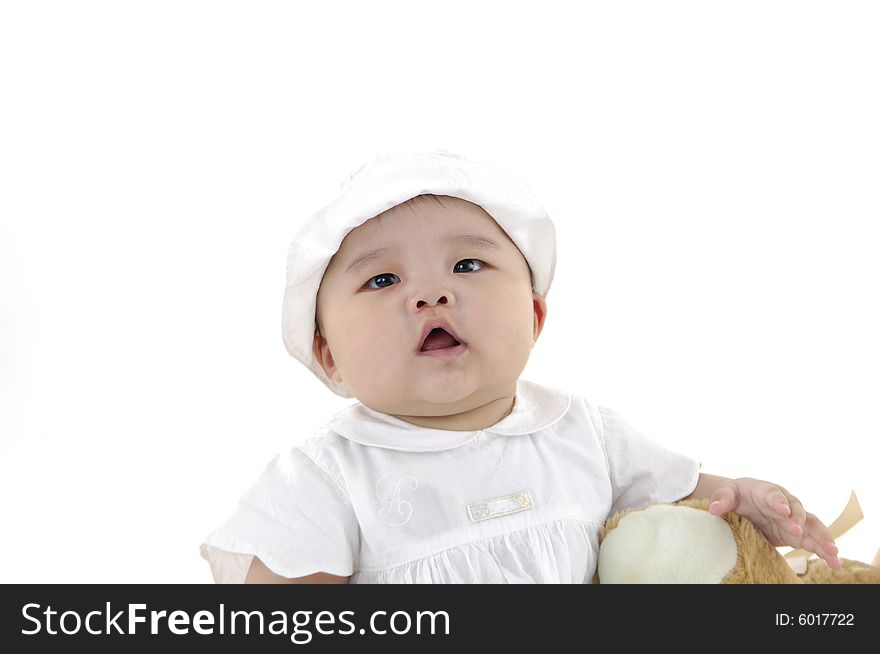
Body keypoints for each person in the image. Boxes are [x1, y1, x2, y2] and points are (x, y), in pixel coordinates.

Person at [199, 151, 841, 584]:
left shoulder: (584, 431)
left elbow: (679, 506)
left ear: (534, 316)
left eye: (467, 266)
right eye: (384, 278)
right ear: (328, 353)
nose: (430, 295)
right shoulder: (327, 475)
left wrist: (745, 499)